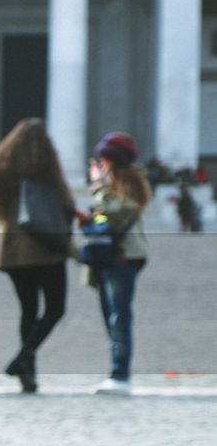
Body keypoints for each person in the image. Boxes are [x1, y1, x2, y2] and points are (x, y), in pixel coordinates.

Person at [0, 118, 74, 393]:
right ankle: (23, 357)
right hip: (45, 248)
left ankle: (27, 375)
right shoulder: (47, 170)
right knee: (55, 309)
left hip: (12, 251)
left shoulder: (1, 171)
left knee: (28, 310)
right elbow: (66, 205)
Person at [76, 132, 150, 395]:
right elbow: (103, 220)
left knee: (119, 315)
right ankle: (117, 370)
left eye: (104, 158)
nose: (100, 163)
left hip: (123, 255)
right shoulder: (113, 184)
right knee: (111, 315)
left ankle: (120, 374)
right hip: (109, 256)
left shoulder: (130, 183)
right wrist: (89, 221)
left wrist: (98, 187)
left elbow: (118, 211)